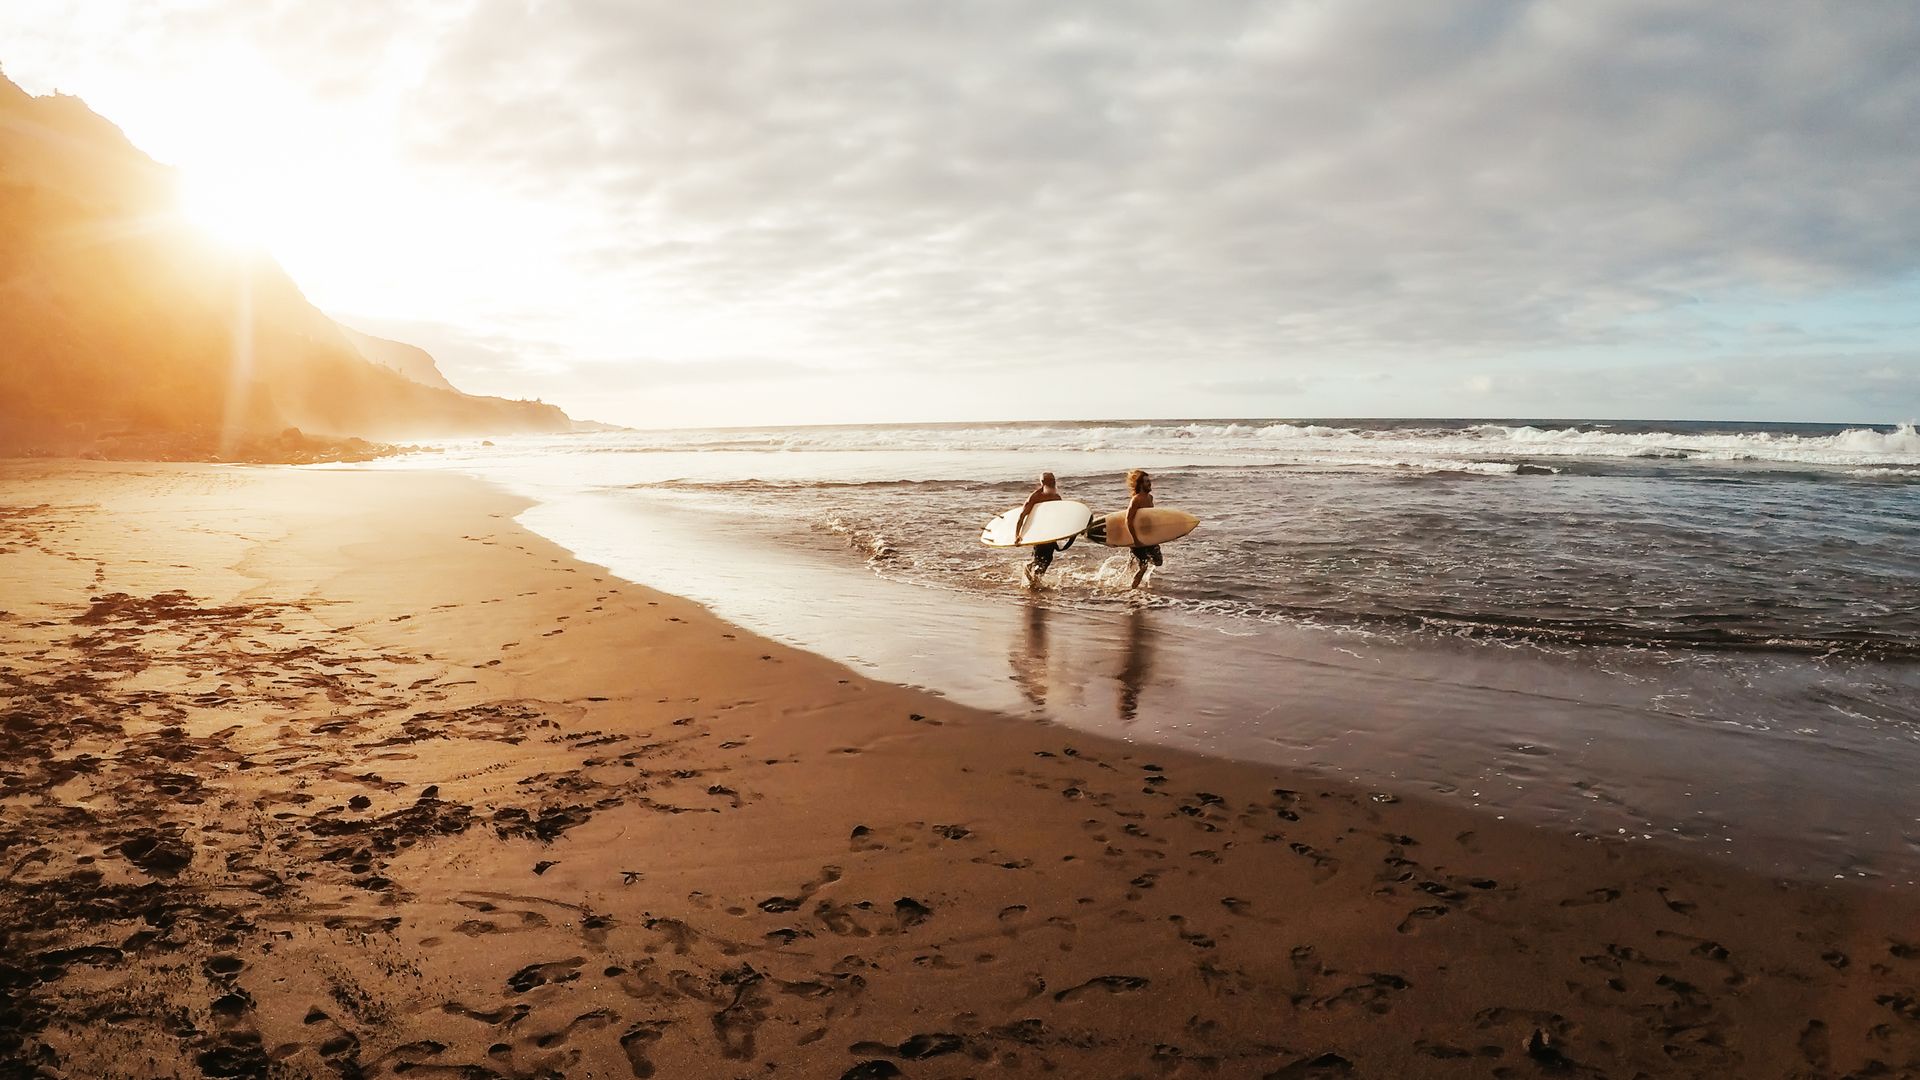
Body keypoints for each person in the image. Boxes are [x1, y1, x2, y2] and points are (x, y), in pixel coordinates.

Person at [1016, 472, 1074, 584]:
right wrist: (1017, 535)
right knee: (1040, 558)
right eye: (1050, 481)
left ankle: (1035, 579)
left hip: (1051, 532)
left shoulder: (1056, 497)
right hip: (1039, 532)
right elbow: (1022, 516)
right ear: (1042, 483)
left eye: (1053, 480)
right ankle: (1033, 576)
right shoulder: (1035, 497)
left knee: (1048, 558)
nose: (1053, 483)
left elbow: (1062, 516)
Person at [1124, 468, 1162, 589]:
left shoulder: (1150, 498)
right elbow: (1128, 520)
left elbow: (1150, 518)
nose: (1150, 483)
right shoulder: (1136, 500)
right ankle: (1132, 590)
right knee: (1144, 567)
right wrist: (1135, 539)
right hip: (1137, 538)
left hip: (1148, 537)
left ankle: (1134, 560)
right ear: (1140, 484)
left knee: (1158, 561)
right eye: (1146, 481)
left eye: (1149, 480)